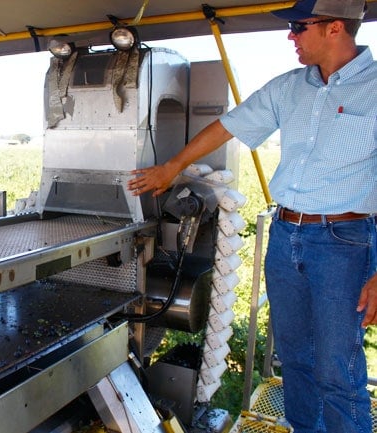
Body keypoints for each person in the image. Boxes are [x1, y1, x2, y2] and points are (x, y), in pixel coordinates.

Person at [128, 0, 377, 431]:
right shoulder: (289, 87)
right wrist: (171, 167)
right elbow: (229, 126)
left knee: (337, 368)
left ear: (336, 27)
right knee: (295, 359)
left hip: (345, 241)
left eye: (300, 26)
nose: (291, 36)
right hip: (285, 235)